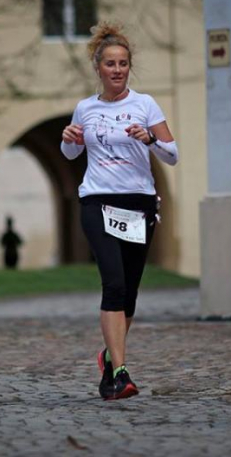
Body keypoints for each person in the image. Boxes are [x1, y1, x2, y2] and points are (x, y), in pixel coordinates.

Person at [60, 22, 179, 400]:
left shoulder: (144, 105)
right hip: (98, 200)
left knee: (128, 293)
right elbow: (72, 153)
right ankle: (122, 373)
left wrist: (150, 139)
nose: (117, 70)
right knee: (112, 283)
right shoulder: (86, 108)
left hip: (138, 203)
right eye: (110, 64)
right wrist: (68, 139)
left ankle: (109, 361)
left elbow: (172, 155)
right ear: (98, 67)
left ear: (129, 67)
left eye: (123, 63)